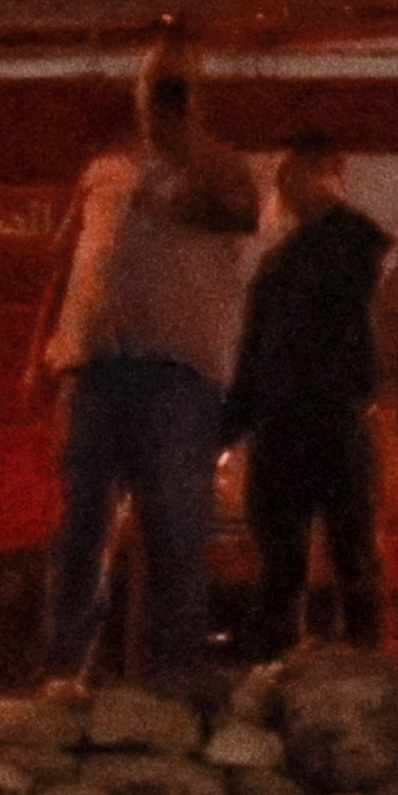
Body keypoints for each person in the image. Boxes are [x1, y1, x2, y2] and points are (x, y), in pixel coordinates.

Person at [42, 51, 262, 682]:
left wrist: (181, 165)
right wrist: (48, 351)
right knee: (80, 524)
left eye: (176, 91)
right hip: (94, 364)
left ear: (197, 97)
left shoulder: (222, 168)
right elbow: (68, 263)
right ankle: (63, 666)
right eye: (156, 90)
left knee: (173, 526)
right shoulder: (105, 170)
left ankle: (171, 670)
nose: (163, 103)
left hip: (176, 371)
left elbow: (239, 215)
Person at [230, 137, 392, 655]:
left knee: (284, 563)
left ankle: (278, 664)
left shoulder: (282, 266)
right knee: (351, 553)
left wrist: (231, 422)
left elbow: (256, 352)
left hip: (285, 420)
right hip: (332, 416)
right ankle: (364, 662)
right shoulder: (354, 246)